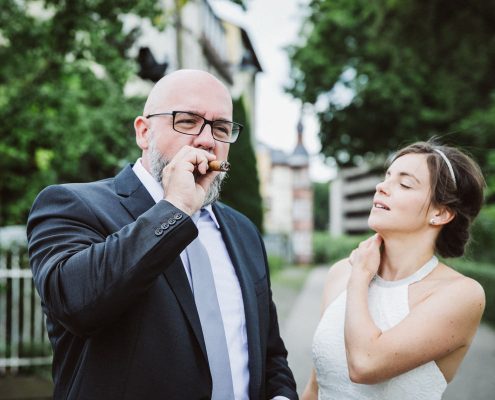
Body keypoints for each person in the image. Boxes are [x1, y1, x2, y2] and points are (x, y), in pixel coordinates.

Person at [27, 69, 298, 400]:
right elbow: (76, 305)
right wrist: (176, 208)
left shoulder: (243, 231)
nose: (207, 140)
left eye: (221, 128)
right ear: (143, 132)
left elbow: (269, 352)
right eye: (186, 121)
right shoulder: (72, 205)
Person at [302, 141, 486, 400]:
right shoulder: (340, 273)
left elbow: (365, 364)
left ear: (441, 213)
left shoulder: (462, 294)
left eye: (405, 184)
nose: (381, 187)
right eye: (386, 177)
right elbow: (315, 387)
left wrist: (360, 278)